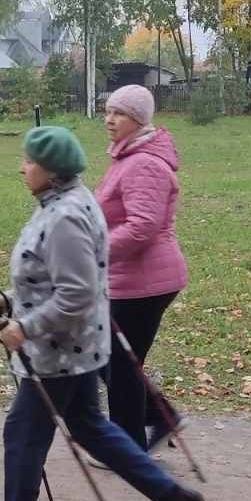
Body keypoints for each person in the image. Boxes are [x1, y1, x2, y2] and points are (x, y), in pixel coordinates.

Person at [0, 126, 204, 501]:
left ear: (52, 171)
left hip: (59, 352)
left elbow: (76, 293)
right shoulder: (66, 202)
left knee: (22, 434)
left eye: (30, 161)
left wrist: (26, 325)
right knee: (90, 426)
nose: (22, 167)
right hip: (76, 347)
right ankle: (171, 497)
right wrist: (12, 300)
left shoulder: (65, 216)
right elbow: (61, 279)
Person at [95, 84, 188, 453]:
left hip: (146, 281)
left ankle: (127, 447)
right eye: (108, 111)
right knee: (114, 358)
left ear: (139, 119)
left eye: (119, 113)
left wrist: (94, 251)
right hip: (131, 277)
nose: (109, 119)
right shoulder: (128, 157)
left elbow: (142, 226)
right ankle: (160, 416)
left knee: (119, 363)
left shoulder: (144, 163)